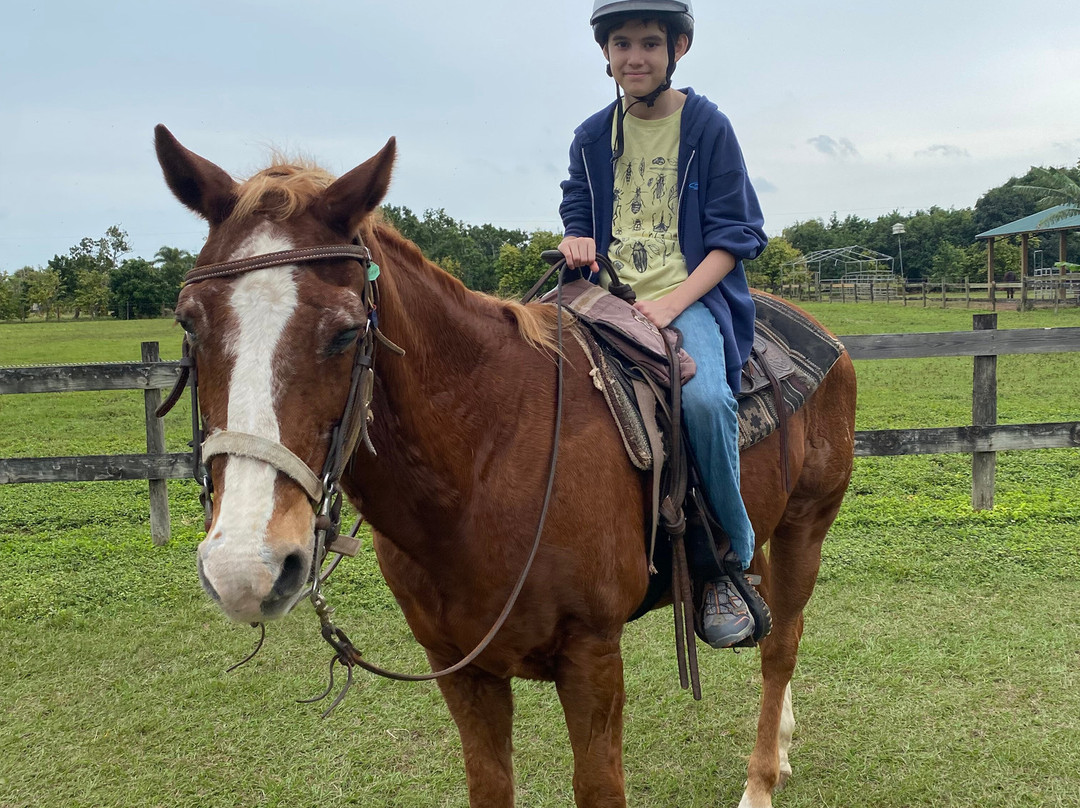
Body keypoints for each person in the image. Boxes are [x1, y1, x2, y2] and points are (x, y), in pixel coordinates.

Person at [557, 0, 768, 647]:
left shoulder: (708, 127)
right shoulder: (591, 135)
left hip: (689, 300)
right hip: (602, 298)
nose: (635, 57)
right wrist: (577, 238)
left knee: (703, 401)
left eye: (650, 42)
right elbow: (578, 202)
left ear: (678, 48)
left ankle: (728, 561)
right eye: (622, 43)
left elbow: (736, 237)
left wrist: (673, 304)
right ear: (605, 52)